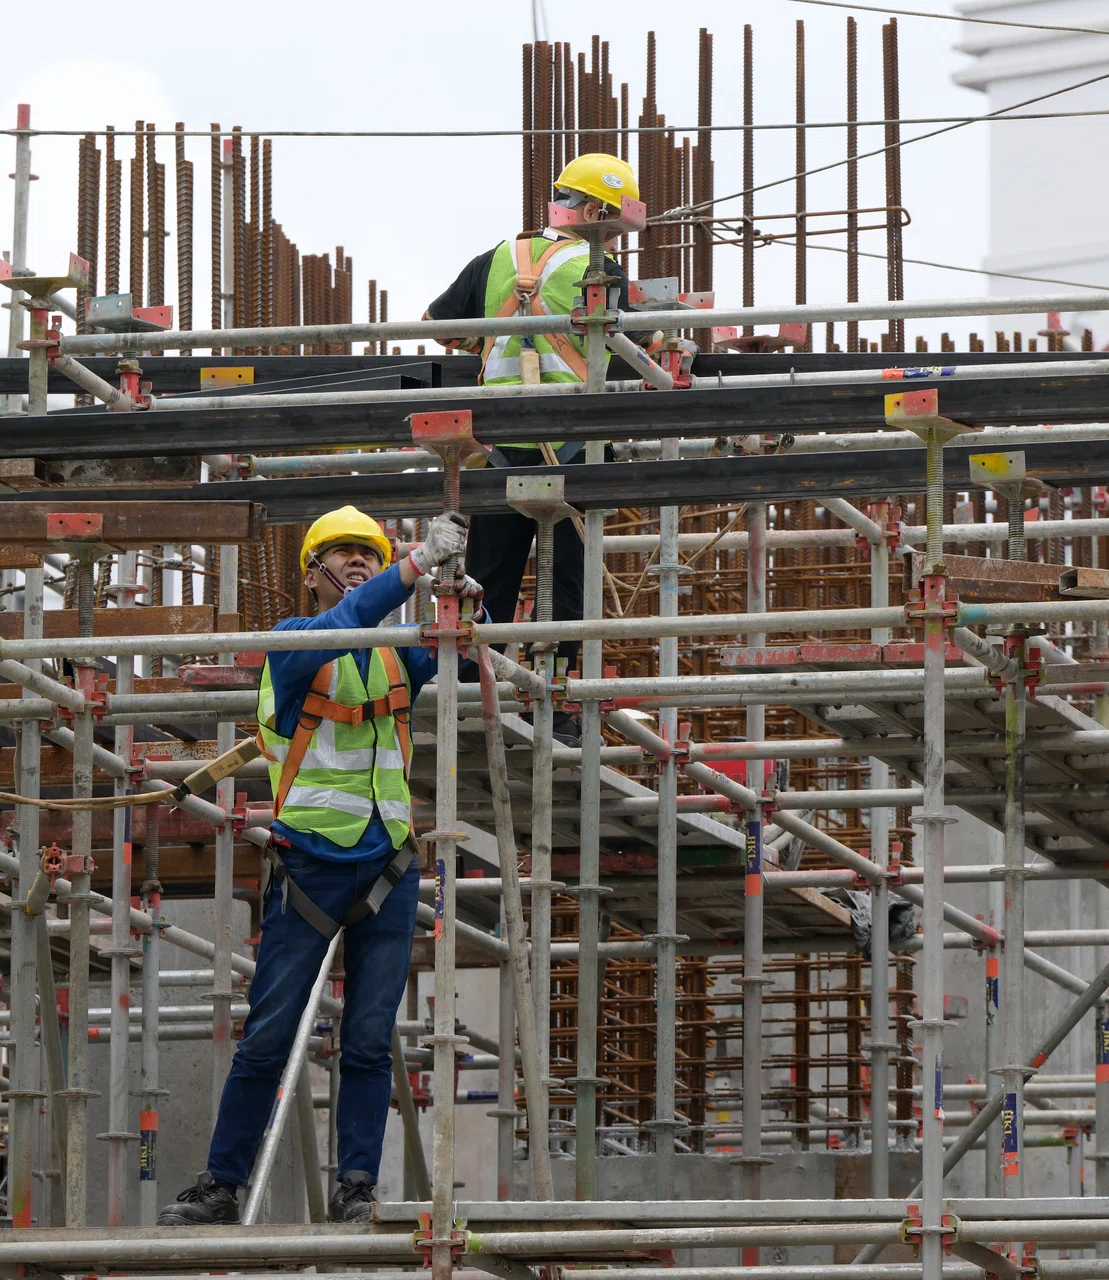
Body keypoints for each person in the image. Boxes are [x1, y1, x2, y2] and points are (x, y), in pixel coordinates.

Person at [159, 505, 481, 1227]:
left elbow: (455, 647)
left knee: (369, 1040)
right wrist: (414, 566)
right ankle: (221, 1185)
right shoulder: (294, 643)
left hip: (387, 871)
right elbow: (367, 610)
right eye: (342, 554)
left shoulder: (398, 653)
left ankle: (357, 1186)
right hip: (309, 868)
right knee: (270, 1036)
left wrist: (463, 599)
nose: (359, 563)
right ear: (313, 576)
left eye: (369, 553)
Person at [423, 151, 641, 748]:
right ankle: (562, 702)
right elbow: (638, 351)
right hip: (569, 447)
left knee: (486, 577)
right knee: (566, 583)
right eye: (616, 223)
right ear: (597, 211)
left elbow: (438, 322)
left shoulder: (499, 257)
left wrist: (497, 330)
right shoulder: (600, 271)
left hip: (495, 445)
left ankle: (468, 689)